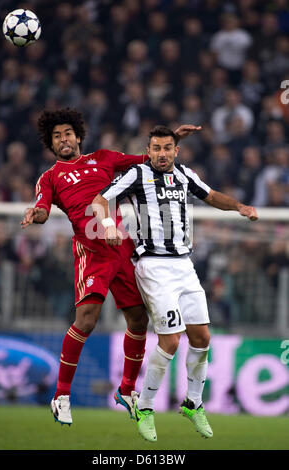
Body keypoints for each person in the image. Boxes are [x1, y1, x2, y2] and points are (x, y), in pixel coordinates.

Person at [20, 108, 198, 426]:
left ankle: (126, 390)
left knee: (138, 319)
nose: (63, 139)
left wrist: (173, 138)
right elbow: (43, 207)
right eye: (57, 135)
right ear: (50, 142)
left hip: (121, 246)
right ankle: (61, 396)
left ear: (78, 136)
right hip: (92, 251)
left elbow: (146, 161)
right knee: (86, 321)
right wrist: (36, 214)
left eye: (68, 133)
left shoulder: (103, 157)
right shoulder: (49, 177)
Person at [92, 125, 258, 442]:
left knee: (202, 337)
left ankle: (193, 403)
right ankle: (145, 406)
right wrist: (106, 224)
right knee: (170, 341)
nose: (162, 153)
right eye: (156, 148)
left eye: (168, 147)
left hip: (184, 265)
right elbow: (101, 200)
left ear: (176, 150)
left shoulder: (183, 173)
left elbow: (210, 196)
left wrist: (239, 207)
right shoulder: (136, 174)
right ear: (149, 150)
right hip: (153, 266)